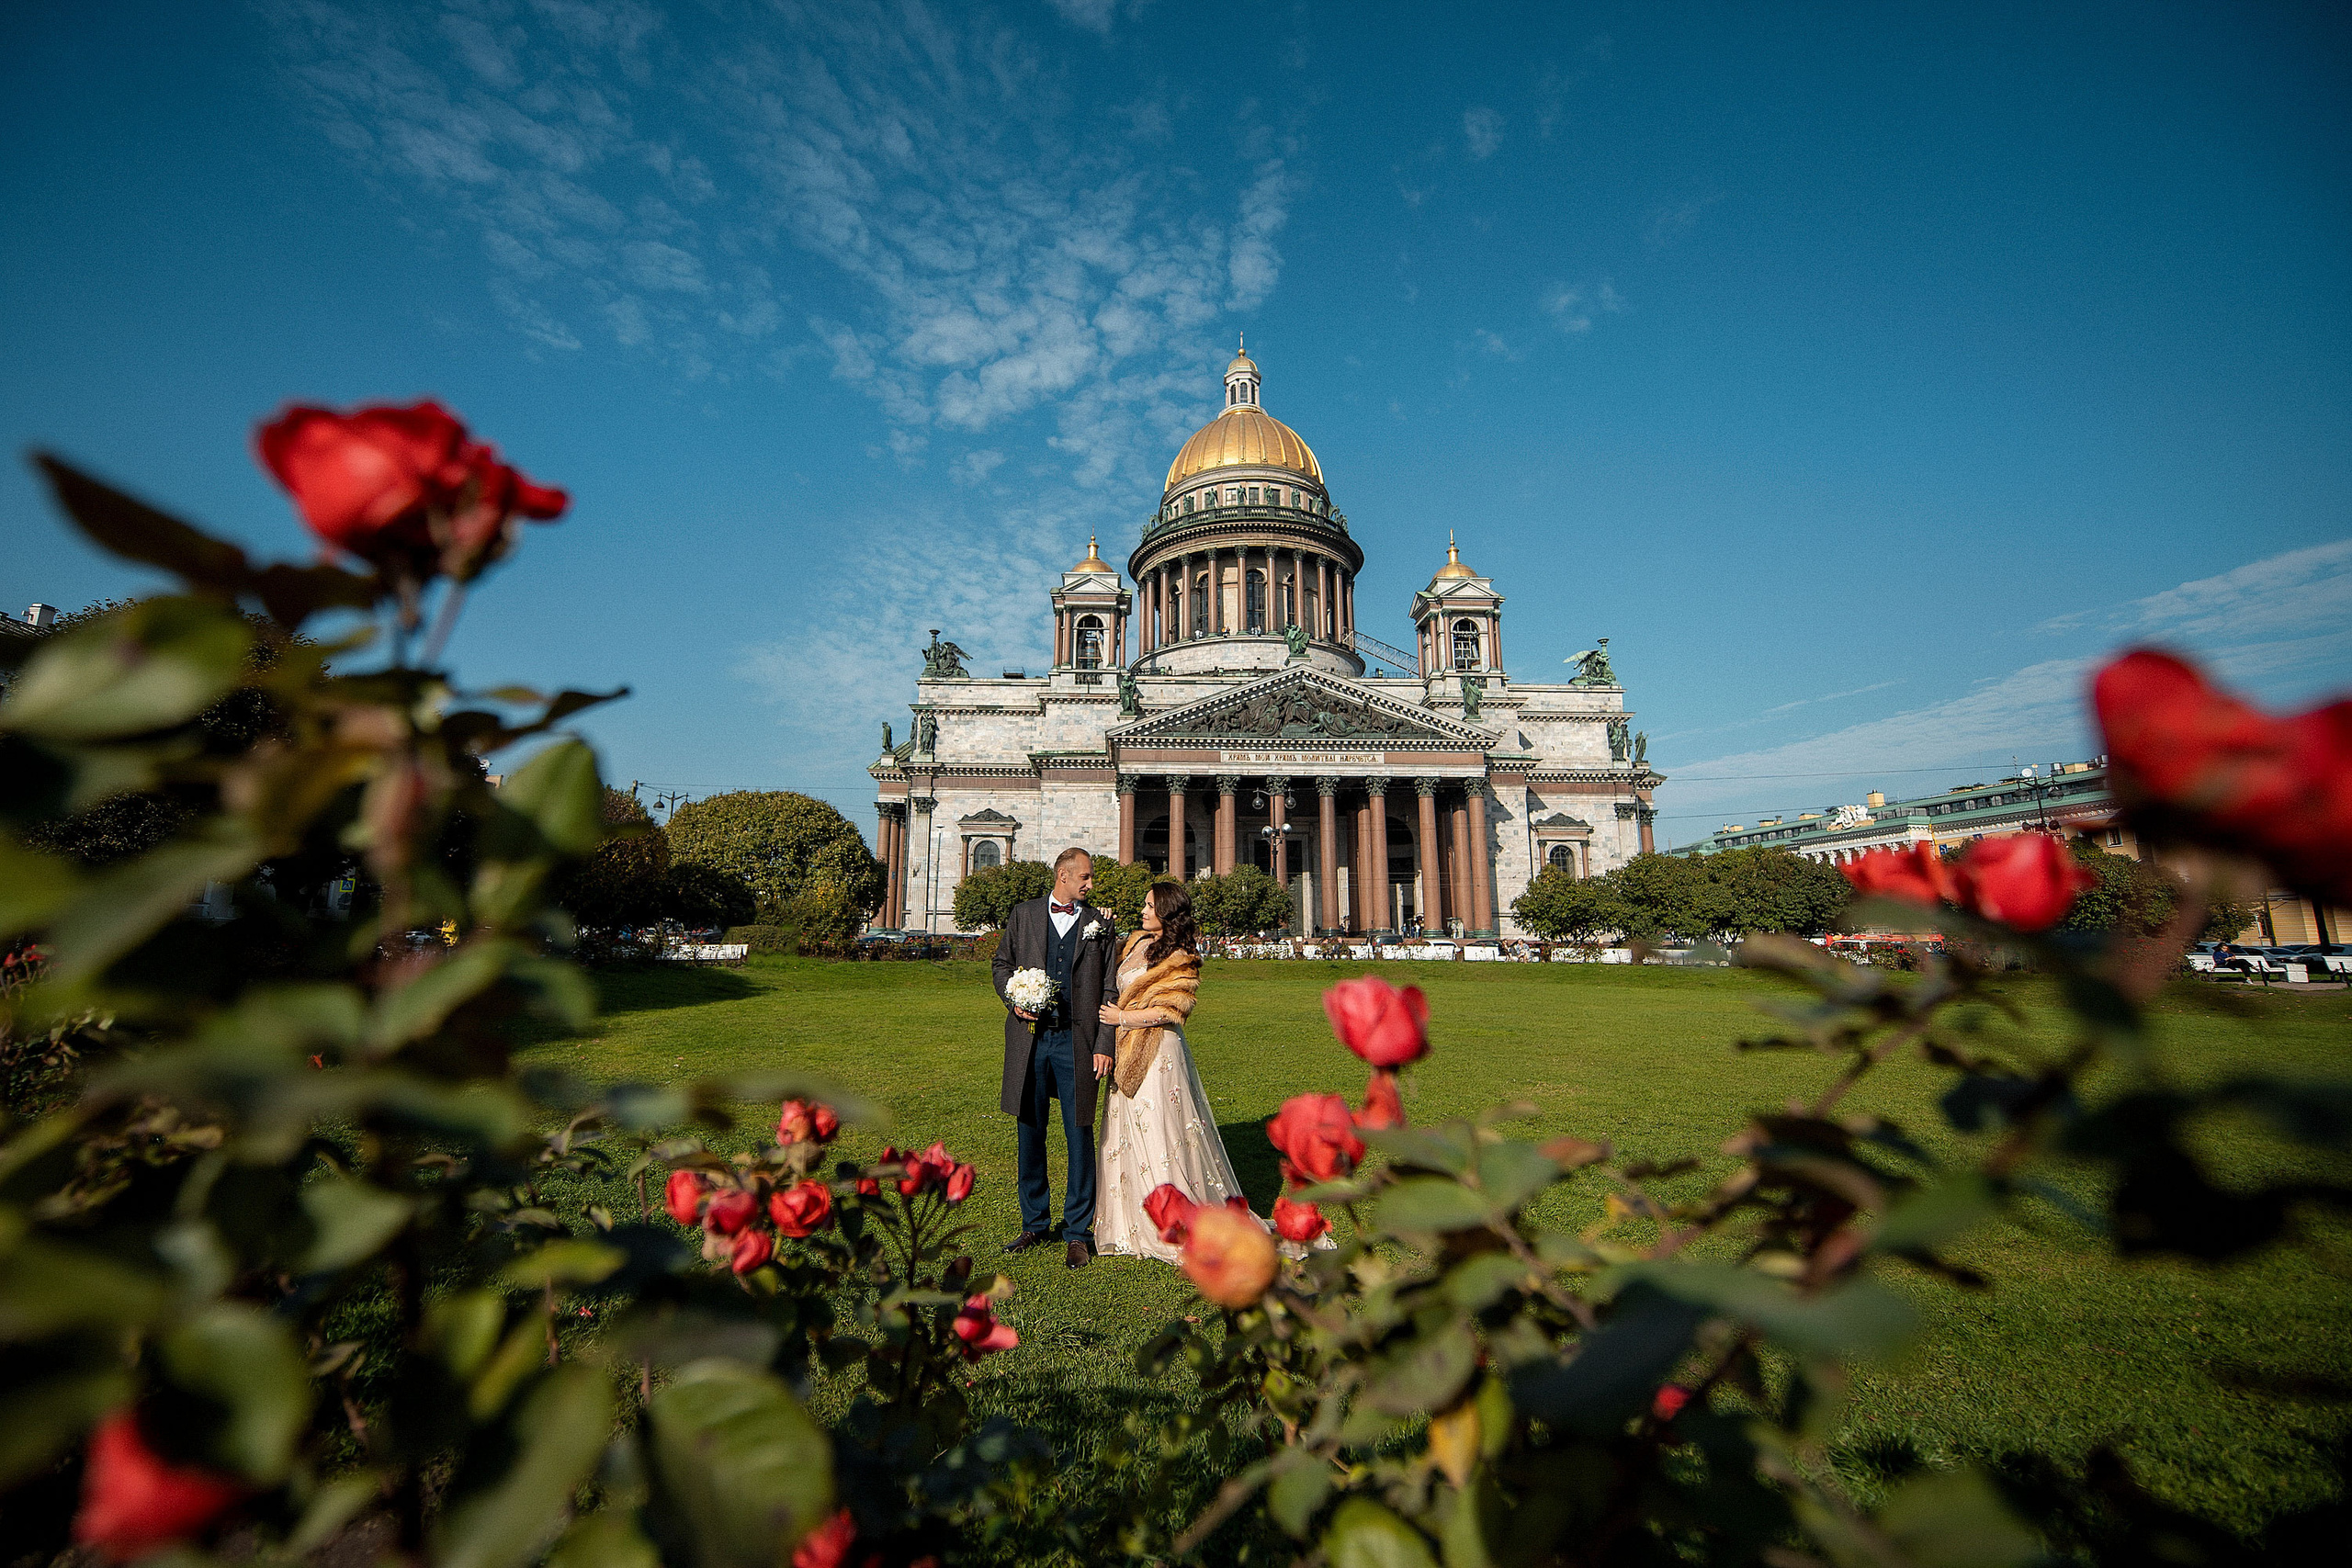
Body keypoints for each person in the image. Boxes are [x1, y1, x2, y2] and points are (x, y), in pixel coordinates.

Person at [1095, 881, 1324, 1263]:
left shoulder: (1181, 957)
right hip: (1127, 1049)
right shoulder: (1132, 944)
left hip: (1157, 1051)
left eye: (1150, 905)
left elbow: (1174, 1011)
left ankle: (1174, 1219)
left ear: (1167, 912)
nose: (1143, 910)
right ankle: (1129, 1222)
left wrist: (1124, 1017)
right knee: (1126, 1128)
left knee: (1161, 1130)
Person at [991, 847, 1119, 1268]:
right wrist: (1014, 998)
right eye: (1084, 877)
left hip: (1077, 1043)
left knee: (1079, 1133)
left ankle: (1078, 1231)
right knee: (1029, 1131)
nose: (1090, 883)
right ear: (1063, 876)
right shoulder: (1024, 914)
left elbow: (1108, 989)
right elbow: (1001, 964)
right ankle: (1034, 1222)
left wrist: (1104, 1043)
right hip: (1030, 1039)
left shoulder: (1100, 924)